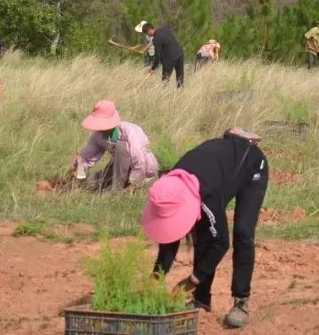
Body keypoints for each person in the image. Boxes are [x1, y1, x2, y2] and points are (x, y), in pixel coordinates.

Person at [144, 129, 268, 329]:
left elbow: (220, 244)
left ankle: (241, 301)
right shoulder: (171, 186)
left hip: (251, 165)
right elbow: (170, 237)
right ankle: (201, 300)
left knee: (243, 232)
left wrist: (192, 280)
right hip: (218, 169)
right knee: (203, 232)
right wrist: (156, 277)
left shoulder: (206, 195)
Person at [72, 100, 159, 191]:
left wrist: (133, 184)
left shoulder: (130, 131)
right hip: (119, 169)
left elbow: (140, 161)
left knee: (120, 147)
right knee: (89, 184)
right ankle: (114, 185)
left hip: (144, 172)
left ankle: (116, 191)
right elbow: (86, 157)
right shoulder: (98, 136)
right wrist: (79, 170)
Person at [142, 21, 185, 87]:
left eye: (147, 33)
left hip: (170, 58)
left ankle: (165, 92)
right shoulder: (164, 29)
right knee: (180, 77)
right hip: (180, 53)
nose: (148, 35)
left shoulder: (156, 39)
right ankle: (180, 91)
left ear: (149, 30)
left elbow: (157, 57)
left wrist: (153, 68)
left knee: (165, 80)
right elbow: (165, 39)